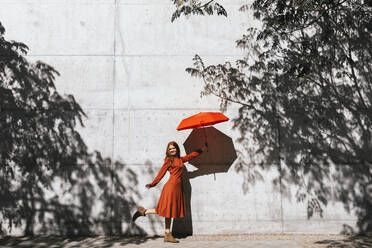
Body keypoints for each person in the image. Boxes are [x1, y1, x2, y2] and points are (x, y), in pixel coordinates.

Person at [132, 141, 207, 243]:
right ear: (168, 151)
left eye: (174, 148)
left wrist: (202, 149)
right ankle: (164, 231)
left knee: (169, 211)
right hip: (170, 188)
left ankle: (147, 215)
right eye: (170, 149)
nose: (172, 150)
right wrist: (153, 184)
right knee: (167, 210)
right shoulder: (168, 160)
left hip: (178, 188)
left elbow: (190, 156)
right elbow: (161, 173)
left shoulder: (180, 159)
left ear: (177, 149)